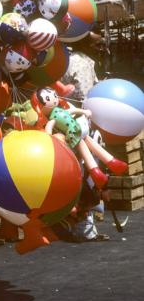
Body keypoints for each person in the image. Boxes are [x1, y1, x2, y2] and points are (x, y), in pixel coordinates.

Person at [62, 31, 109, 242]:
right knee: (86, 173)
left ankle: (78, 224)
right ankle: (84, 227)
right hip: (80, 123)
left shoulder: (69, 59)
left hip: (69, 121)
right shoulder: (81, 62)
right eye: (98, 45)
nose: (102, 49)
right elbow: (86, 95)